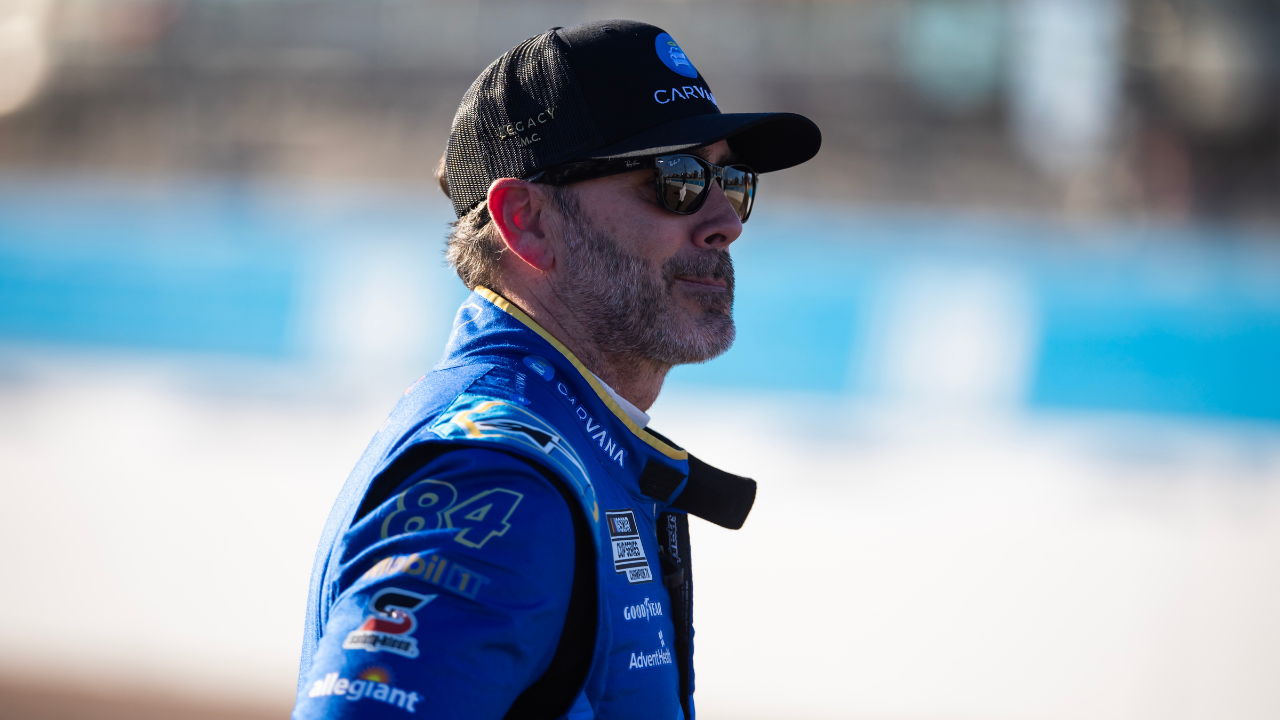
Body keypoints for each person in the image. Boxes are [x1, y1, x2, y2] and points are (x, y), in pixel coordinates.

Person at [292, 19, 820, 720]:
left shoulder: (573, 447)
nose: (727, 220)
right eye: (677, 180)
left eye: (733, 181)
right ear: (528, 222)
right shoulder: (498, 479)